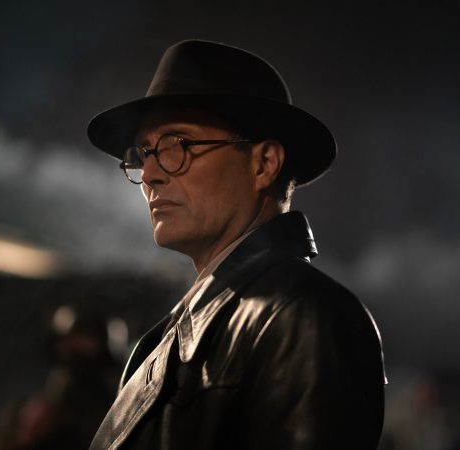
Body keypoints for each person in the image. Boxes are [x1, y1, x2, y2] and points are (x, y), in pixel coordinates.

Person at [86, 39, 386, 450]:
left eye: (178, 145)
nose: (150, 174)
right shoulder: (172, 334)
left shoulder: (301, 315)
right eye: (143, 154)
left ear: (264, 164)